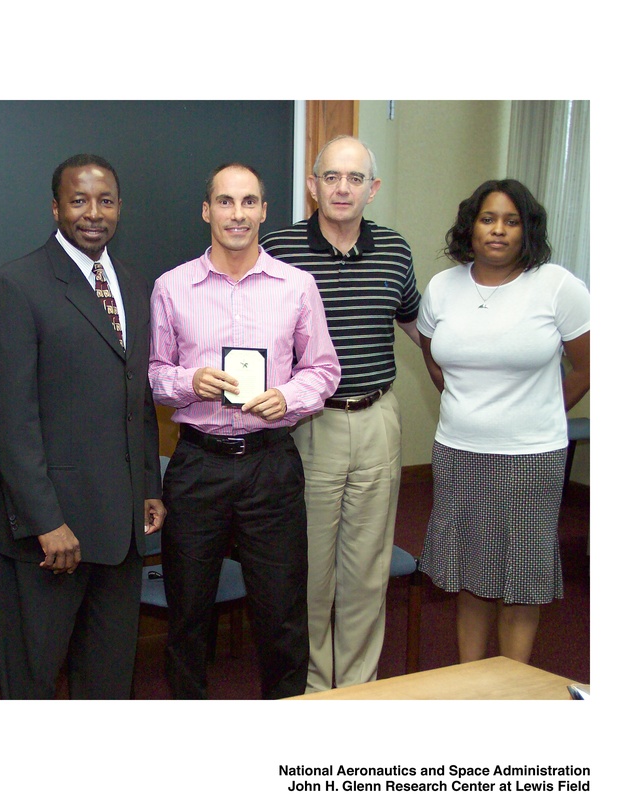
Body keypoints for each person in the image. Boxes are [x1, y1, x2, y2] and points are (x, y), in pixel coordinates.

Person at [0, 154, 165, 699]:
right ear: (55, 207)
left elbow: (138, 395)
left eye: (105, 201)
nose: (93, 213)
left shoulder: (131, 284)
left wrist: (149, 487)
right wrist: (45, 521)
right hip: (53, 533)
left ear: (119, 208)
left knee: (107, 678)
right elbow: (9, 419)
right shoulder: (15, 284)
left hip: (123, 527)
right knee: (32, 677)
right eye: (78, 200)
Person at [149, 163, 340, 699]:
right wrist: (190, 381)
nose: (238, 214)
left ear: (264, 211)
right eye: (226, 202)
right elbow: (155, 375)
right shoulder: (172, 287)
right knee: (187, 612)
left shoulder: (297, 286)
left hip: (270, 463)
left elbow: (323, 370)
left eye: (249, 202)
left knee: (281, 612)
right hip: (198, 465)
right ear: (207, 211)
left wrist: (290, 398)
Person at [260, 135, 421, 691]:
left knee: (367, 567)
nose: (343, 188)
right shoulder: (277, 249)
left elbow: (416, 327)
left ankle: (357, 686)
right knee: (310, 568)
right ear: (313, 185)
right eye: (332, 177)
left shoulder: (396, 250)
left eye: (355, 179)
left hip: (378, 418)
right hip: (309, 425)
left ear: (372, 190)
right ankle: (312, 689)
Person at [417, 178, 590, 664]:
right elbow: (434, 358)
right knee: (470, 577)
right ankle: (472, 683)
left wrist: (544, 409)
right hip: (458, 453)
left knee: (521, 581)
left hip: (531, 459)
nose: (498, 230)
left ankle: (512, 688)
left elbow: (590, 364)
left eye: (511, 221)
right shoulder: (443, 287)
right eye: (488, 219)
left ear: (526, 230)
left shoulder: (557, 286)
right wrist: (469, 403)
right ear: (470, 227)